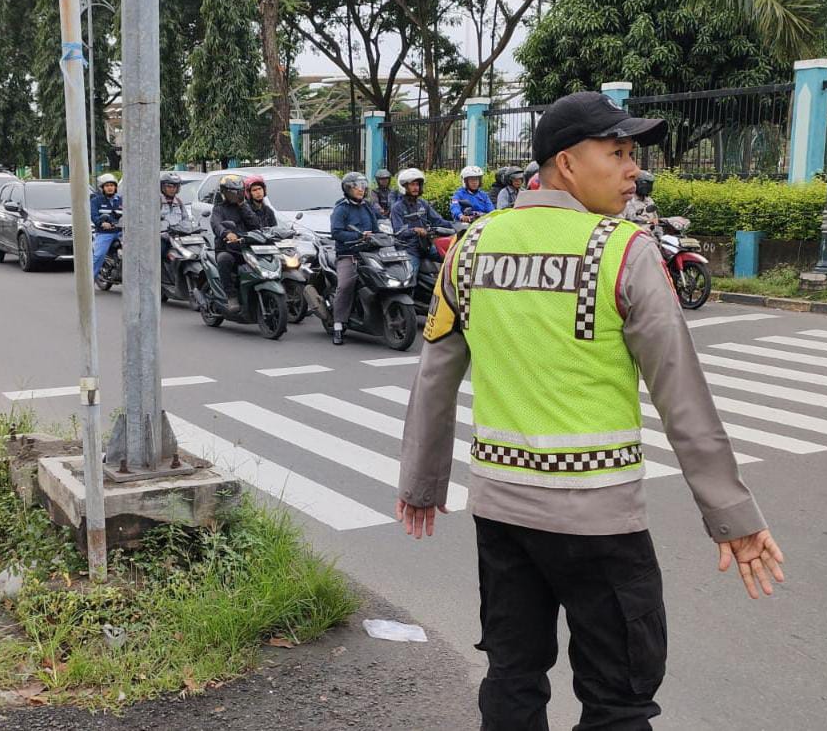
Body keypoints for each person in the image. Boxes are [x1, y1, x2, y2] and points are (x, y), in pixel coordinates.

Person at [398, 91, 784, 730]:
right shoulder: (624, 251)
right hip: (600, 524)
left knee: (512, 677)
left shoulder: (471, 246)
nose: (634, 170)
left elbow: (434, 374)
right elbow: (682, 397)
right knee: (619, 700)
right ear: (567, 163)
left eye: (633, 154)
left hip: (502, 517)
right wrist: (732, 516)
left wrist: (421, 483)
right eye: (619, 153)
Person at [329, 171, 380, 345]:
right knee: (345, 286)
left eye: (363, 186)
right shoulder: (341, 209)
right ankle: (338, 324)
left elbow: (376, 229)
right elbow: (336, 232)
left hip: (369, 254)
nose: (361, 189)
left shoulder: (367, 207)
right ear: (347, 188)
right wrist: (358, 236)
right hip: (348, 254)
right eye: (356, 186)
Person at [390, 168, 452, 276]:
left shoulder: (422, 204)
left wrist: (458, 227)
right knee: (410, 277)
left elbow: (438, 220)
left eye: (417, 184)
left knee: (451, 259)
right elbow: (398, 232)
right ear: (404, 186)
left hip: (426, 245)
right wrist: (414, 230)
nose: (416, 187)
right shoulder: (397, 208)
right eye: (412, 185)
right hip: (409, 248)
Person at [209, 174, 250, 312]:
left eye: (239, 192)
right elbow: (216, 225)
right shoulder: (218, 209)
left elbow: (255, 224)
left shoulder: (245, 207)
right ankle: (231, 295)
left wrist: (244, 207)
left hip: (246, 248)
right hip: (227, 248)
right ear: (224, 193)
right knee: (224, 260)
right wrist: (226, 233)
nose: (236, 195)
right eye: (232, 192)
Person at [158, 172, 194, 278]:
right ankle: (157, 277)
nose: (172, 189)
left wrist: (188, 228)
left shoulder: (178, 202)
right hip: (163, 238)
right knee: (158, 253)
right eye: (169, 186)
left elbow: (186, 218)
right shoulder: (157, 201)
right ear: (162, 187)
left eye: (175, 186)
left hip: (178, 237)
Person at [90, 173, 123, 280]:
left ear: (116, 187)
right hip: (105, 233)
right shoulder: (96, 201)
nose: (110, 188)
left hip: (121, 232)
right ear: (102, 188)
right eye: (107, 185)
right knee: (98, 256)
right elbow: (94, 216)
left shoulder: (122, 200)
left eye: (112, 185)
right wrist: (102, 223)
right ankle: (89, 281)